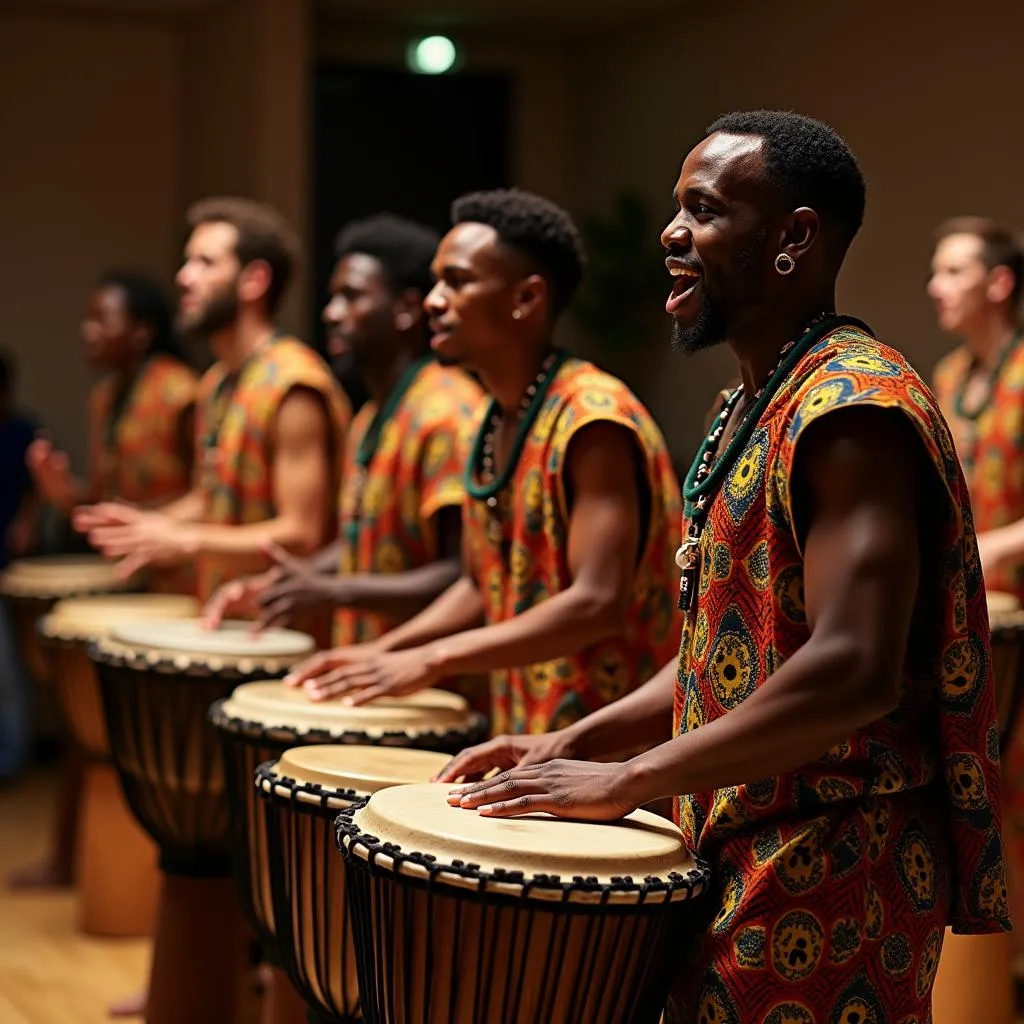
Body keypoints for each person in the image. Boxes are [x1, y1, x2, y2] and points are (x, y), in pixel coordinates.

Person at [443, 112, 1009, 1020]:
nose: (672, 234)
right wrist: (579, 741)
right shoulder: (752, 402)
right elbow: (727, 650)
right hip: (745, 845)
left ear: (793, 237)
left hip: (831, 866)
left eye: (703, 211)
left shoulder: (851, 407)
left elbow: (852, 670)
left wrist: (630, 778)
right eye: (676, 210)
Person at [285, 189, 682, 739]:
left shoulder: (594, 420)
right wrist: (381, 652)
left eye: (457, 281)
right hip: (526, 733)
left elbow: (596, 603)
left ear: (526, 297)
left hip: (608, 747)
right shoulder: (495, 419)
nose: (432, 300)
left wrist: (434, 658)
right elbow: (480, 582)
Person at [202, 213, 486, 709]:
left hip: (431, 692)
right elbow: (364, 542)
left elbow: (462, 573)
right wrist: (292, 584)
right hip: (372, 681)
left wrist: (333, 592)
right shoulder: (372, 416)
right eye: (333, 297)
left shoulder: (446, 413)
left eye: (352, 297)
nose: (331, 313)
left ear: (405, 309)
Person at [74, 198, 351, 619]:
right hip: (224, 617)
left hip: (284, 632)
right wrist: (149, 526)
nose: (184, 277)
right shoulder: (217, 384)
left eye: (205, 263)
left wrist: (185, 541)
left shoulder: (293, 385)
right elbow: (212, 497)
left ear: (253, 280)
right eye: (188, 263)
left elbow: (300, 533)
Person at [28, 271, 197, 591]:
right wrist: (66, 495)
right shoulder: (103, 398)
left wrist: (150, 525)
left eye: (102, 320)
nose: (88, 330)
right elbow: (105, 500)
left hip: (179, 575)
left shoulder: (181, 392)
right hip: (126, 570)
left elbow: (211, 493)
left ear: (141, 332)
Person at [927, 218, 1024, 596]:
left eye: (954, 272)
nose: (935, 287)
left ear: (999, 284)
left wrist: (992, 549)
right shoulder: (949, 375)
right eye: (935, 273)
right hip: (971, 597)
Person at [0, 351, 41, 783]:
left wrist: (26, 523)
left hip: (10, 568)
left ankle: (11, 759)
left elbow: (34, 492)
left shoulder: (21, 431)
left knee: (8, 670)